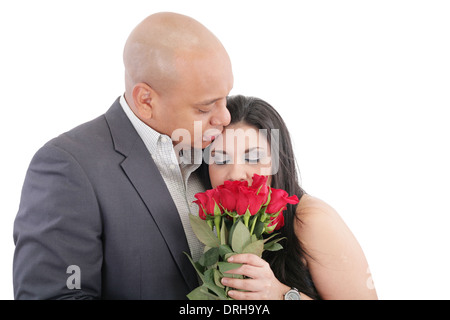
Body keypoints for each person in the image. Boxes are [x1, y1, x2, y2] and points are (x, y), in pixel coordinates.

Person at [13, 12, 233, 299]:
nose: (225, 117)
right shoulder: (68, 167)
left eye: (226, 97)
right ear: (146, 100)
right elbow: (59, 295)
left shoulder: (226, 150)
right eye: (205, 108)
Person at [200, 95, 378, 299]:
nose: (236, 174)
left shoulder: (312, 220)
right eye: (221, 160)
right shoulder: (220, 224)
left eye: (253, 157)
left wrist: (281, 294)